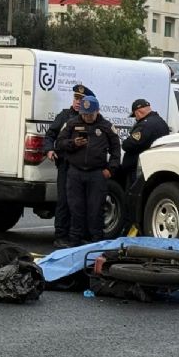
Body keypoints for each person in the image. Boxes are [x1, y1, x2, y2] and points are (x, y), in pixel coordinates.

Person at [55, 96, 121, 246]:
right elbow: (59, 143)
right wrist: (73, 143)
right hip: (75, 172)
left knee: (95, 209)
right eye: (84, 114)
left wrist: (110, 169)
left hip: (97, 173)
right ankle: (75, 241)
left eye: (90, 114)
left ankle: (96, 242)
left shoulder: (106, 126)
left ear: (97, 111)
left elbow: (116, 150)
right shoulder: (72, 123)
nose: (87, 117)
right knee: (75, 208)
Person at [45, 84, 95, 248]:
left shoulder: (90, 119)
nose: (78, 102)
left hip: (83, 166)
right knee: (64, 201)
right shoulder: (64, 116)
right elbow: (51, 134)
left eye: (81, 99)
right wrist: (49, 150)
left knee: (81, 202)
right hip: (66, 165)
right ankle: (61, 236)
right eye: (76, 98)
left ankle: (79, 236)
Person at [121, 98, 170, 187]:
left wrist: (125, 142)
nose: (136, 119)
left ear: (138, 112)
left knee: (134, 193)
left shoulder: (144, 125)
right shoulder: (161, 122)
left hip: (139, 169)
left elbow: (129, 144)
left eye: (135, 116)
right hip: (155, 167)